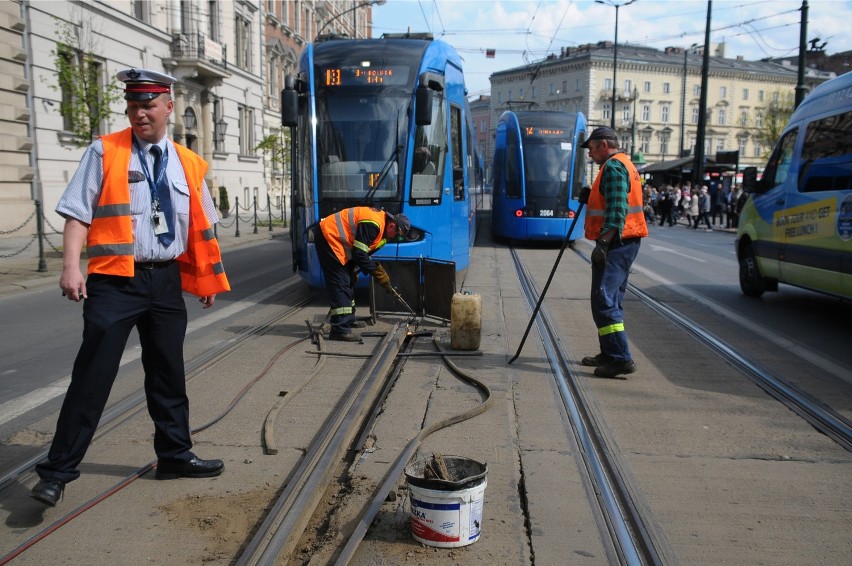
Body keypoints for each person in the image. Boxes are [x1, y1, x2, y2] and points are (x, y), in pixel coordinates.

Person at [30, 69, 230, 508]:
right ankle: (57, 473)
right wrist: (70, 268)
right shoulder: (105, 151)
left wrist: (205, 279)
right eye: (133, 105)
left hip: (165, 281)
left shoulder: (189, 162)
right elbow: (78, 213)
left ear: (168, 107)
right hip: (114, 280)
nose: (140, 113)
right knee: (93, 377)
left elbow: (201, 226)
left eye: (149, 105)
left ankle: (174, 455)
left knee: (168, 376)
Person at [579, 127, 648, 378]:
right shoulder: (621, 165)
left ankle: (620, 358)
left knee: (604, 298)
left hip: (618, 243)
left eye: (592, 148)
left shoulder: (614, 167)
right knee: (607, 299)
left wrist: (603, 244)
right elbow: (612, 202)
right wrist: (589, 198)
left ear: (604, 144)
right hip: (623, 241)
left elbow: (618, 210)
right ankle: (608, 352)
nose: (590, 154)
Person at [314, 206, 410, 342]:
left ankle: (348, 320)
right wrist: (377, 272)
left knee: (349, 279)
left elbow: (361, 252)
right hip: (328, 237)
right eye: (398, 234)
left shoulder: (382, 233)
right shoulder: (373, 224)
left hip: (338, 243)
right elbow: (359, 254)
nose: (396, 237)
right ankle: (339, 329)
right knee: (340, 283)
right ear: (392, 225)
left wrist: (352, 268)